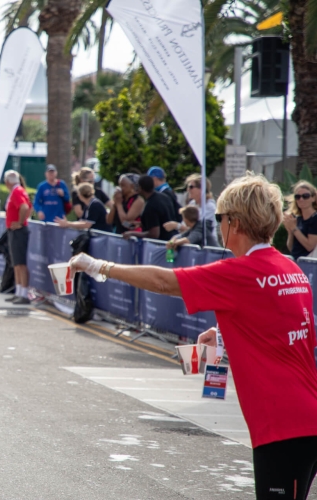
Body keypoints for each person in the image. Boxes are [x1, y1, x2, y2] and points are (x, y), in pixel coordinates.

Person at [70, 172, 317, 500]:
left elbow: (163, 281)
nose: (217, 225)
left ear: (235, 222)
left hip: (282, 425)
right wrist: (226, 333)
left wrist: (98, 265)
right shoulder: (290, 269)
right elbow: (292, 333)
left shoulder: (240, 271)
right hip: (303, 415)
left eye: (219, 218)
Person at [3, 170, 32, 305]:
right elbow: (28, 207)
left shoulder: (16, 191)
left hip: (18, 231)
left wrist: (20, 222)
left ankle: (23, 293)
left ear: (7, 182)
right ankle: (19, 292)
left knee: (20, 263)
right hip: (16, 231)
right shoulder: (18, 190)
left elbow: (25, 207)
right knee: (17, 263)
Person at [123, 175, 175, 241]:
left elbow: (154, 234)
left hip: (159, 245)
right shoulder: (164, 197)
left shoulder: (150, 205)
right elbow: (162, 220)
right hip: (171, 240)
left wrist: (131, 233)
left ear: (140, 188)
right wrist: (142, 224)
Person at [283, 181, 317, 260]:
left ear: (313, 198)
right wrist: (290, 231)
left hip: (308, 265)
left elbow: (309, 246)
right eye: (297, 196)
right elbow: (291, 248)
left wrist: (294, 229)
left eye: (305, 196)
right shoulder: (298, 219)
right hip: (295, 262)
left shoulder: (315, 219)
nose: (301, 199)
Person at [184, 173, 218, 242]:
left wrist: (176, 226)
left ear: (201, 189)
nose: (188, 190)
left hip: (207, 246)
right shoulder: (192, 204)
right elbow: (185, 223)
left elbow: (197, 228)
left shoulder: (210, 207)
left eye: (191, 187)